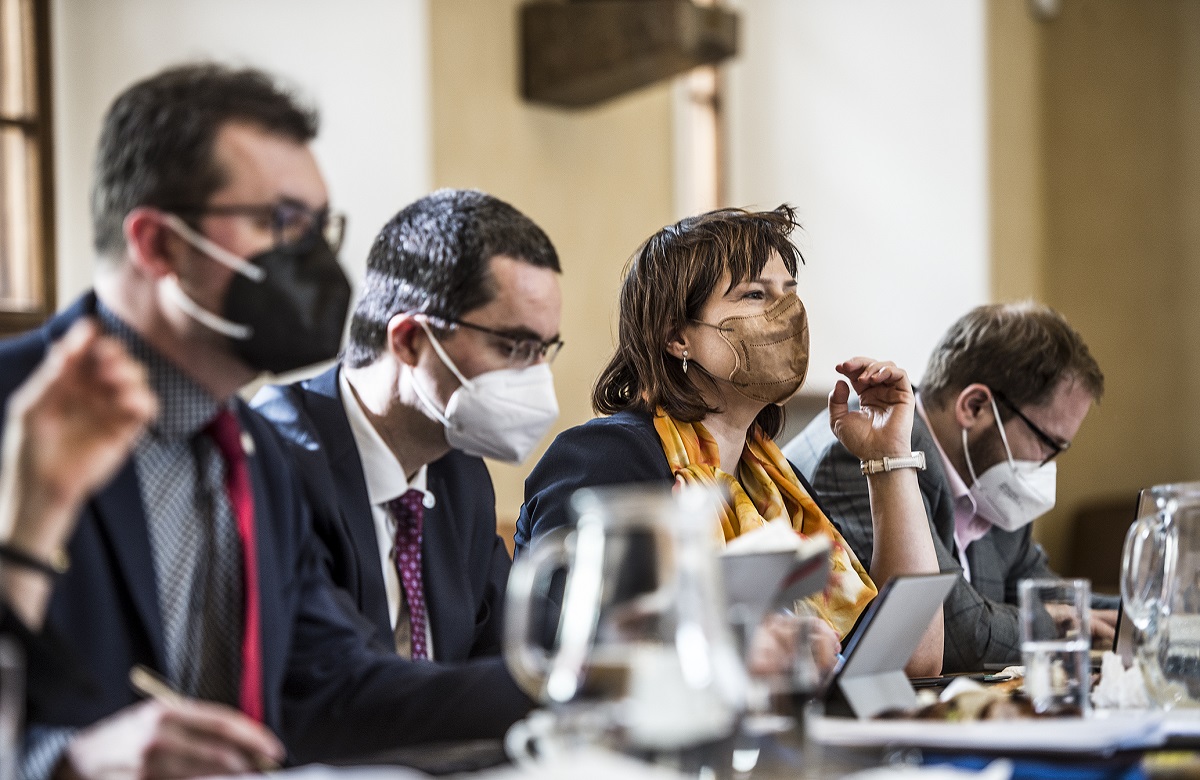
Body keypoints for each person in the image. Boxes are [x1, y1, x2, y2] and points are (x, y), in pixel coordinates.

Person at [3, 63, 529, 780]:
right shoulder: (14, 408)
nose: (314, 259)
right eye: (280, 223)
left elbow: (334, 684)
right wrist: (65, 763)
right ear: (158, 244)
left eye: (319, 227)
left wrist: (574, 681)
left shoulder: (256, 451)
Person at [515, 205, 945, 676]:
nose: (786, 312)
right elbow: (574, 649)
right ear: (676, 335)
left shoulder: (774, 485)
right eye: (755, 294)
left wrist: (889, 458)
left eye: (789, 292)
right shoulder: (608, 457)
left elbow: (913, 657)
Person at [253, 188, 562, 659]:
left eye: (544, 350)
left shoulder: (462, 474)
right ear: (410, 339)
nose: (537, 375)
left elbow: (512, 654)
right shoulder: (279, 459)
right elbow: (337, 680)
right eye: (514, 347)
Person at [784, 302, 1113, 674]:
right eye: (1048, 444)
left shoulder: (993, 483)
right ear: (974, 407)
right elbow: (960, 635)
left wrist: (1142, 614)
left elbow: (1056, 598)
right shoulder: (864, 449)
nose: (1046, 465)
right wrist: (1054, 623)